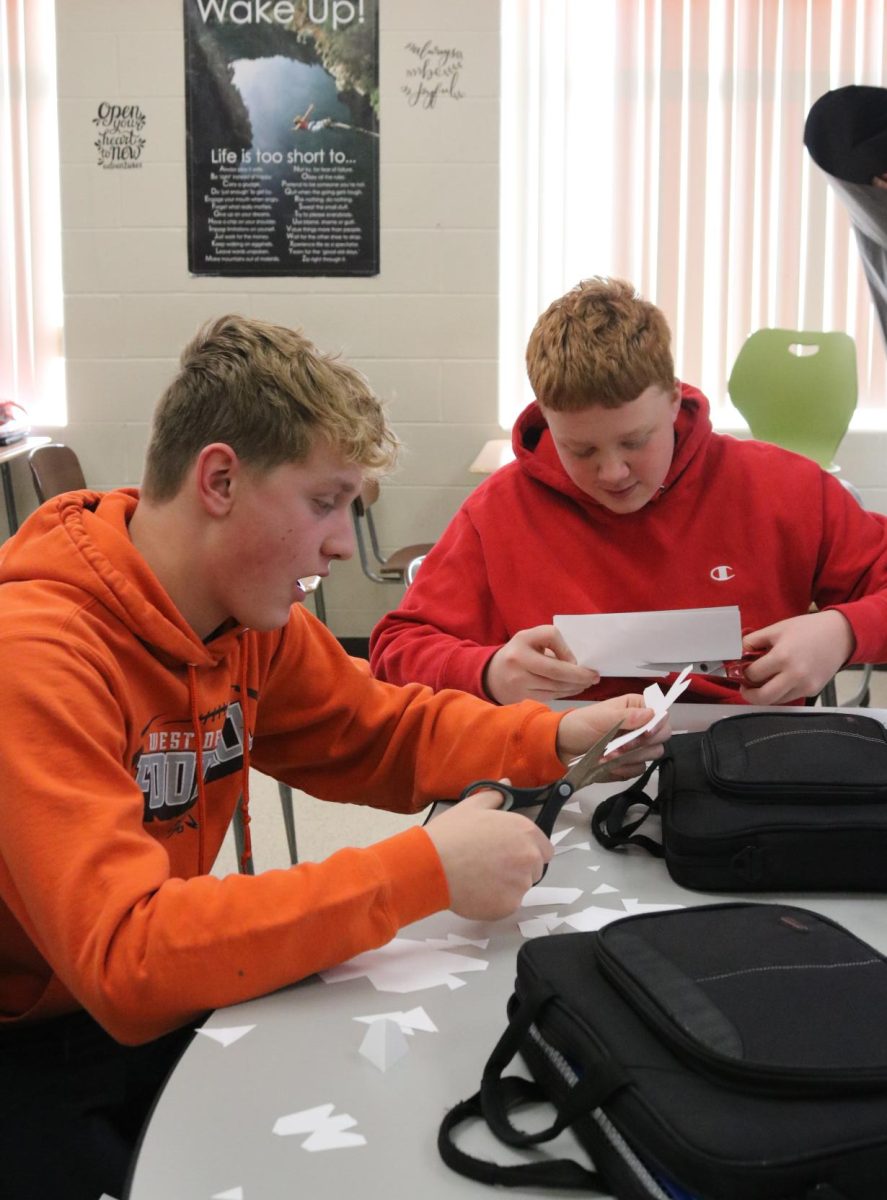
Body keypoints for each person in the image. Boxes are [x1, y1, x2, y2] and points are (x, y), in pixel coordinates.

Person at [0, 314, 667, 1200]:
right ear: (220, 480)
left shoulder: (244, 619)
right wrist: (424, 870)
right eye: (324, 502)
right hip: (34, 1040)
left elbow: (379, 734)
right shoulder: (36, 655)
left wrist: (547, 737)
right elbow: (128, 956)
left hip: (142, 1006)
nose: (341, 545)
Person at [370, 276, 887, 707]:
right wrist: (486, 671)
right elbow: (396, 650)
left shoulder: (784, 488)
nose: (613, 473)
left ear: (673, 402)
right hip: (565, 761)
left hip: (747, 767)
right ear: (546, 422)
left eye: (635, 442)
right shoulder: (500, 511)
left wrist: (841, 631)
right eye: (580, 450)